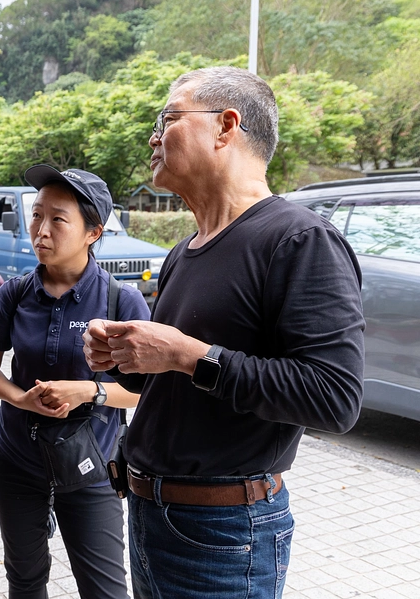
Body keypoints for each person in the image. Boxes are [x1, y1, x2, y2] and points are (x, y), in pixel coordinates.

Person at [83, 66, 365, 599]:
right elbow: (169, 379)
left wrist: (189, 355)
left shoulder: (300, 239)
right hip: (150, 513)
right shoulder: (183, 251)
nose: (153, 136)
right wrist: (124, 356)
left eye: (167, 118)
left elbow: (335, 398)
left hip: (223, 534)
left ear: (225, 126)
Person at [0, 165, 149, 599]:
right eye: (36, 215)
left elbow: (147, 390)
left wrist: (91, 390)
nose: (40, 230)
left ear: (93, 232)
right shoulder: (14, 293)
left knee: (104, 590)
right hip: (16, 460)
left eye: (58, 218)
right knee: (26, 580)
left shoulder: (119, 300)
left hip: (91, 465)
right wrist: (22, 400)